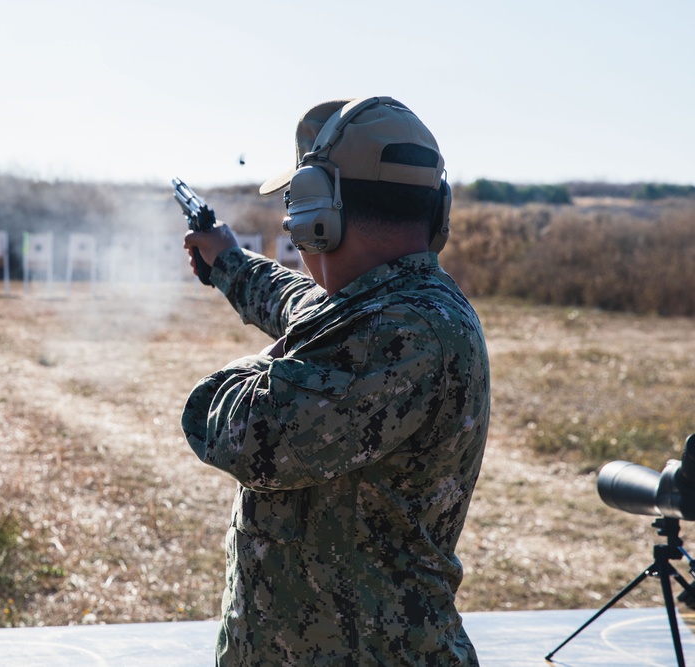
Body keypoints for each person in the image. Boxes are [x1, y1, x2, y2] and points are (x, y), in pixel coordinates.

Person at [180, 97, 490, 666]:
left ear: (317, 215)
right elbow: (304, 303)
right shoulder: (394, 306)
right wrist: (230, 262)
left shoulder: (403, 331)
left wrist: (263, 363)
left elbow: (236, 429)